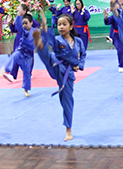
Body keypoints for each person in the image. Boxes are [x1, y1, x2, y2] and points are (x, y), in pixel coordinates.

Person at [33, 10, 86, 141]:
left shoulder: (78, 41)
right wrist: (44, 26)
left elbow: (83, 54)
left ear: (71, 26)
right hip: (56, 66)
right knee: (48, 55)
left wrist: (79, 65)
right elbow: (50, 38)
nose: (61, 27)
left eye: (64, 24)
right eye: (59, 25)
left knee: (67, 100)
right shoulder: (57, 40)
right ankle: (39, 45)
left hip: (68, 73)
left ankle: (68, 129)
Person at [1, 11, 36, 97]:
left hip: (27, 49)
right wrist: (11, 24)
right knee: (14, 57)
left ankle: (27, 76)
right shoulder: (21, 23)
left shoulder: (33, 28)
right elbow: (15, 29)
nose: (24, 24)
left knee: (27, 67)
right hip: (19, 45)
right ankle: (11, 73)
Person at [7, 4, 40, 82]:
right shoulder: (18, 18)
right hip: (18, 39)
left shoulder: (28, 18)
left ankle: (28, 72)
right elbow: (15, 29)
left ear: (24, 10)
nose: (17, 11)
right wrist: (10, 24)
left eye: (19, 9)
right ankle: (12, 75)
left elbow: (37, 26)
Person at [104, 6, 123, 72]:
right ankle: (121, 65)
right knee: (119, 50)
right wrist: (106, 18)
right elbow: (107, 22)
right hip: (116, 36)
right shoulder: (113, 17)